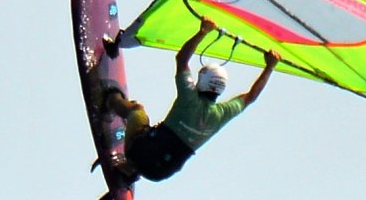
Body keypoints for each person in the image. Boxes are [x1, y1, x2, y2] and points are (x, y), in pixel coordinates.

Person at [105, 18, 280, 183]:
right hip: (158, 174)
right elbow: (251, 97)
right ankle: (132, 172)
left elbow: (181, 59)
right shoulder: (221, 114)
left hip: (137, 153)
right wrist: (270, 67)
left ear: (202, 80)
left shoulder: (189, 97)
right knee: (158, 146)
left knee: (137, 110)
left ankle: (109, 100)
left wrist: (203, 31)